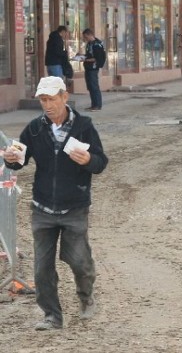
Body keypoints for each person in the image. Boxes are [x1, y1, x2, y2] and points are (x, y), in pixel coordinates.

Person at [2, 76, 108, 331]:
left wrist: (88, 160)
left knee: (79, 261)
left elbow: (101, 162)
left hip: (74, 207)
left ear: (64, 96)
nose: (47, 105)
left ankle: (86, 298)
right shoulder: (35, 128)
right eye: (43, 100)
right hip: (43, 208)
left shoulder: (84, 126)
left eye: (51, 99)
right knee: (42, 269)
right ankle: (52, 315)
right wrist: (11, 159)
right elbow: (20, 160)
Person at [81, 28, 106, 111]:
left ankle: (98, 105)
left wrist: (85, 60)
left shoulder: (97, 44)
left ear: (90, 35)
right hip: (88, 67)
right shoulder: (89, 44)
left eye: (85, 37)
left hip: (93, 68)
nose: (85, 39)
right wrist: (81, 56)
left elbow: (97, 58)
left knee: (94, 86)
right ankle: (93, 104)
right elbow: (89, 55)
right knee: (90, 87)